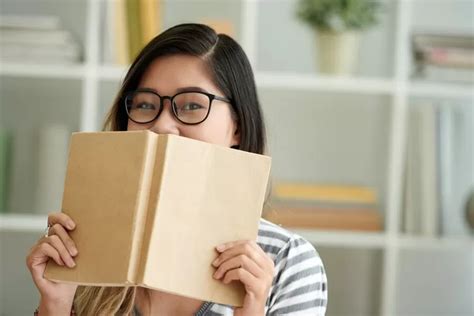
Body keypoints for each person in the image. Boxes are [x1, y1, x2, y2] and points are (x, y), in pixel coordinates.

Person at [26, 23, 328, 315]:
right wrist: (55, 305)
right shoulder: (80, 244)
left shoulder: (288, 262)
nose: (163, 125)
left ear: (237, 126)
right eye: (145, 104)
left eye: (192, 105)